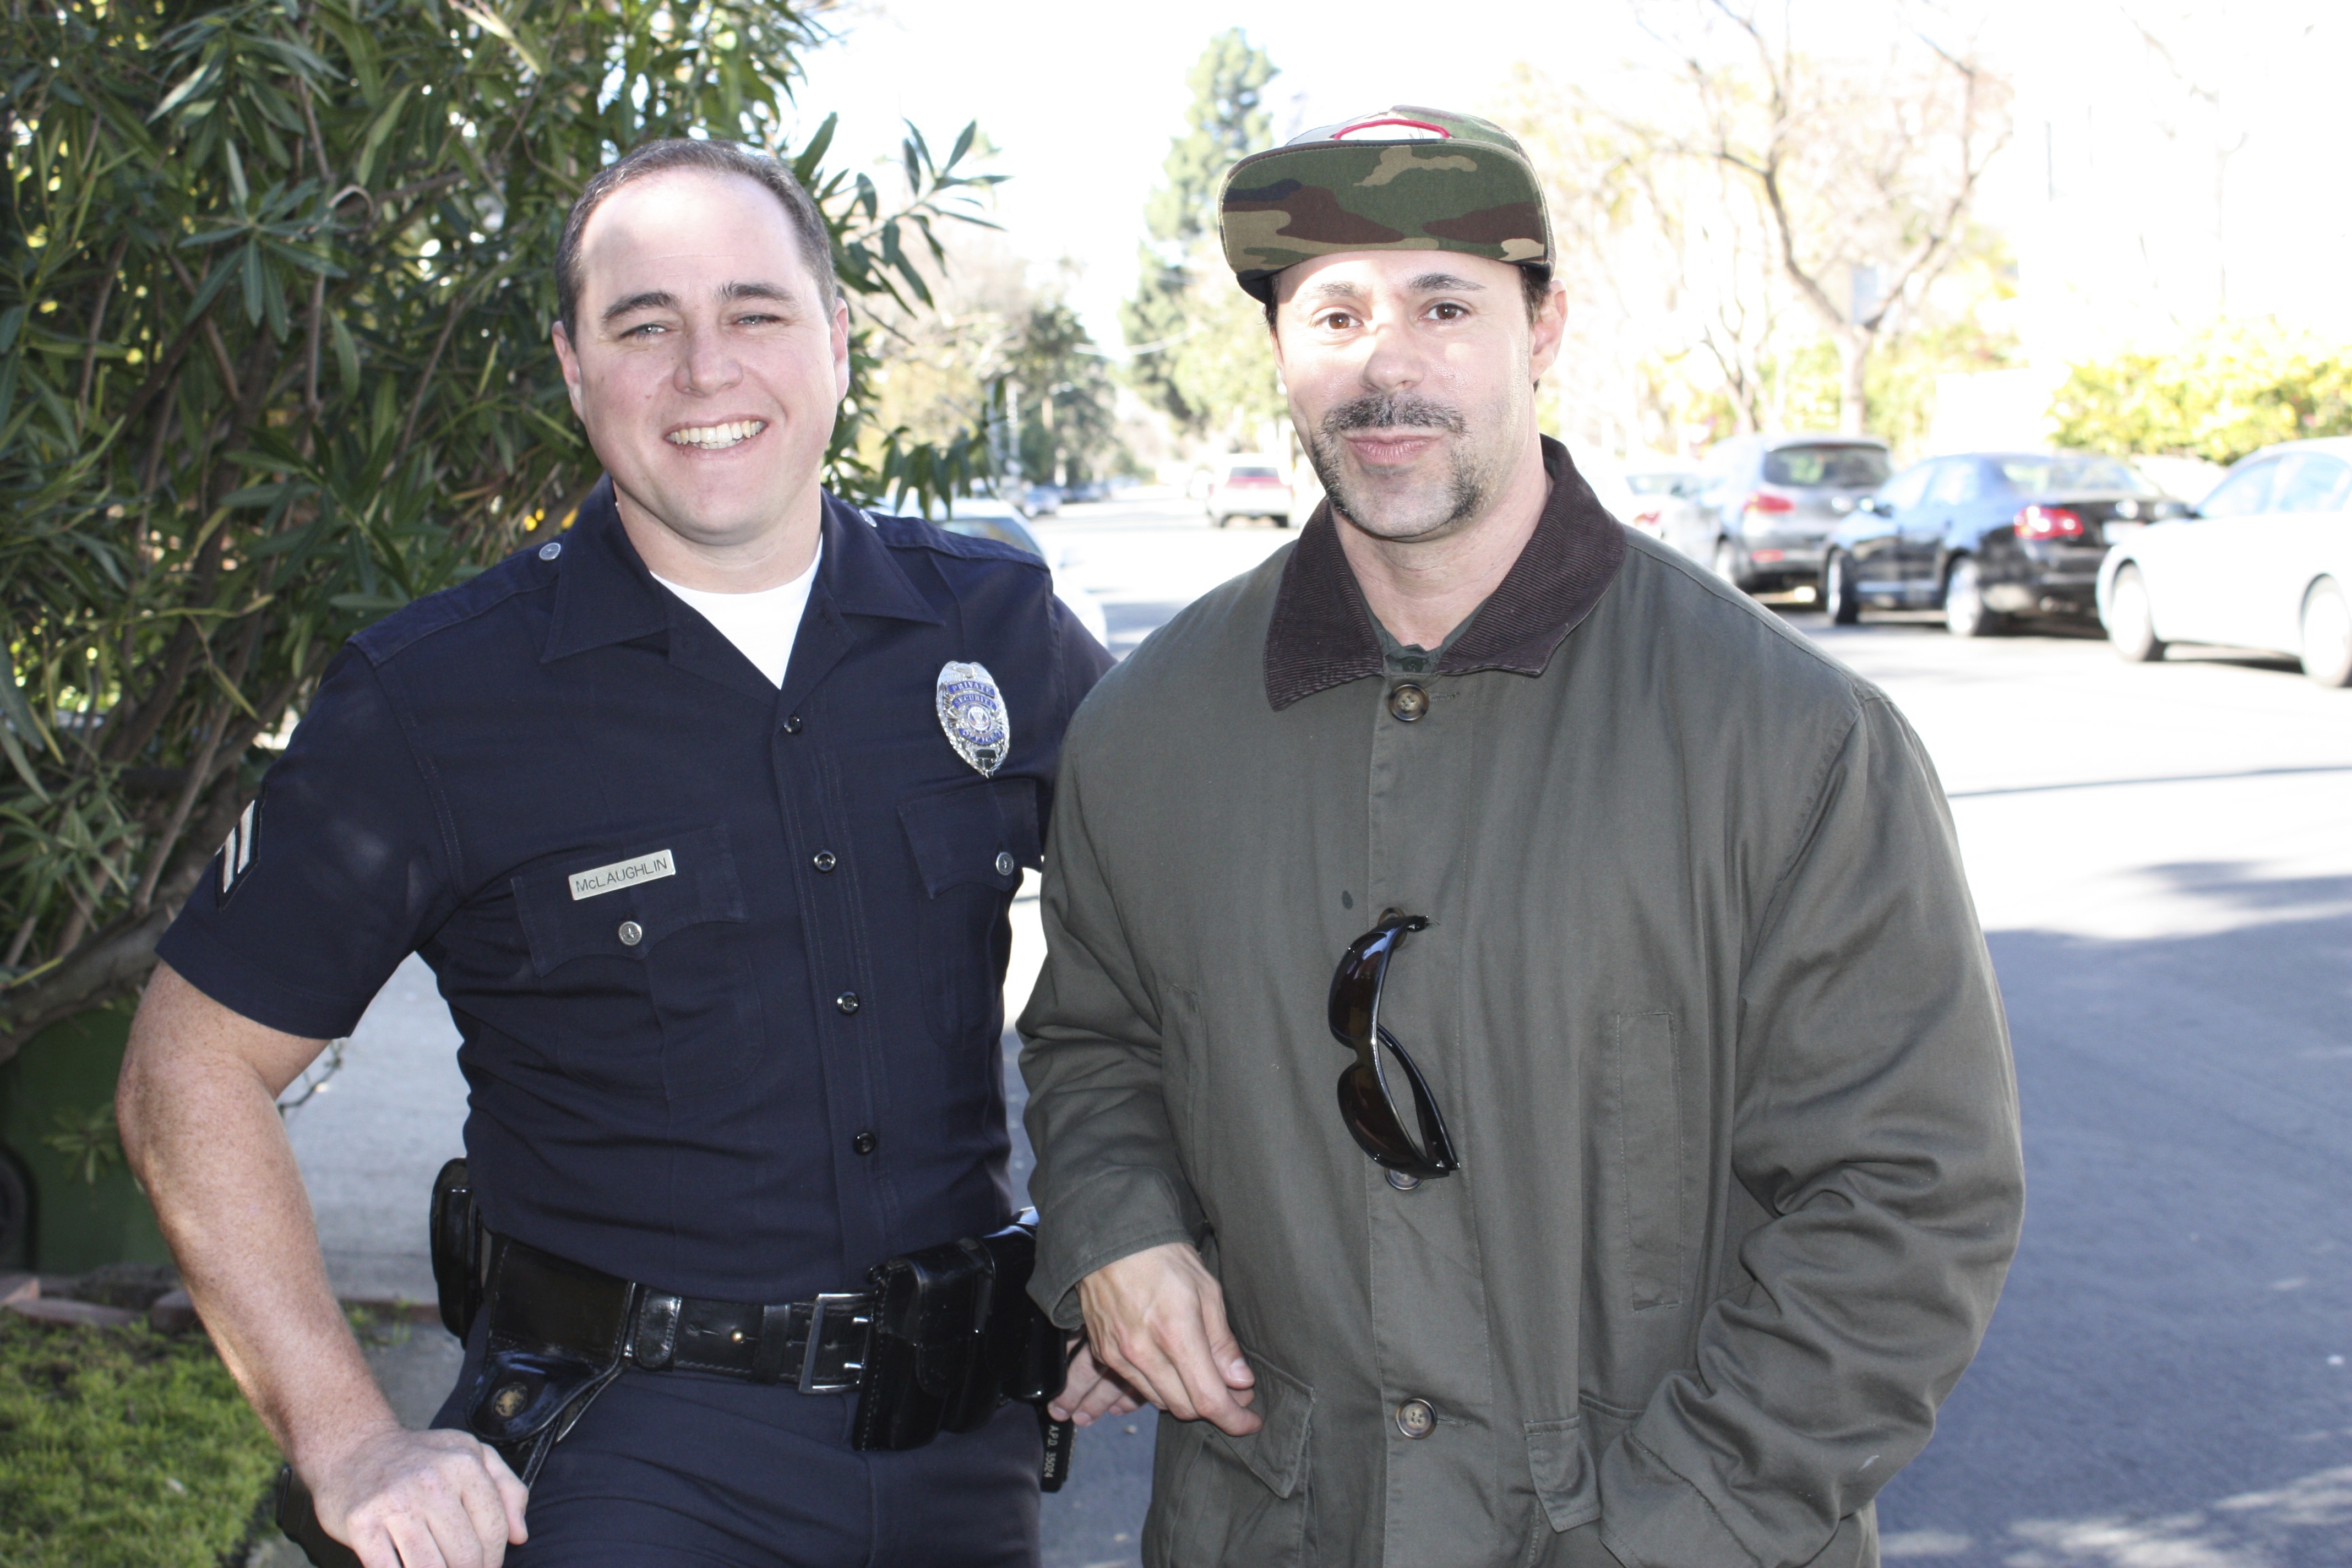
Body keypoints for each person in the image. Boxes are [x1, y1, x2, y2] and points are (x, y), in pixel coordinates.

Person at [1021, 106, 2025, 1567]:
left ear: (1543, 329)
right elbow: (1096, 1041)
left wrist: (1664, 1532)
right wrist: (1115, 1225)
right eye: (1336, 312)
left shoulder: (1791, 739)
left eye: (1445, 304)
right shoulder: (1146, 733)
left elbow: (1906, 1201)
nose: (1389, 362)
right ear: (1282, 350)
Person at [116, 138, 1110, 1568]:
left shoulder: (1001, 633)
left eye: (756, 314)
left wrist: (1126, 1245)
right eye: (645, 326)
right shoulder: (439, 699)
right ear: (577, 371)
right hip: (630, 1468)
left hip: (968, 1455)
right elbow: (186, 1074)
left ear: (836, 345)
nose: (706, 370)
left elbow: (1178, 972)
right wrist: (349, 1438)